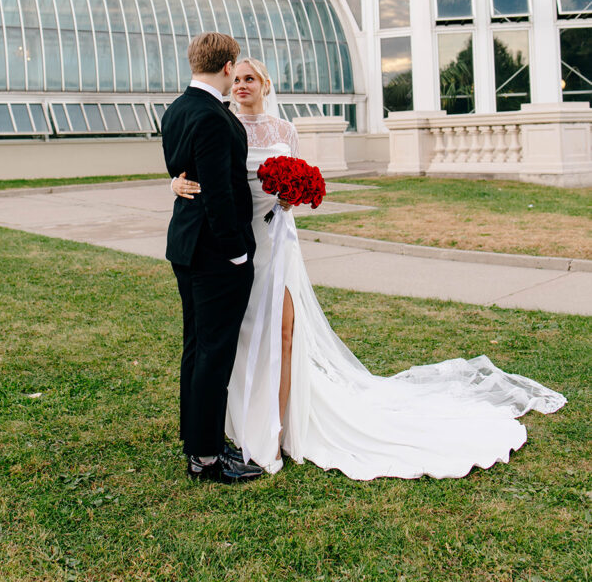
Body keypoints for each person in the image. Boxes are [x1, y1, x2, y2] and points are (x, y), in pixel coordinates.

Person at [172, 57, 566, 480]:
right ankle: (235, 423)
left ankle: (277, 430)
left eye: (252, 79)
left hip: (277, 242)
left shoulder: (285, 131)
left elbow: (302, 176)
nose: (243, 85)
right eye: (239, 78)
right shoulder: (221, 122)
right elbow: (197, 170)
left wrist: (293, 195)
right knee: (239, 336)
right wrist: (173, 183)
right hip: (234, 241)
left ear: (266, 85)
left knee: (284, 332)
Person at [161, 33, 263, 484]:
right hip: (214, 253)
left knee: (196, 347)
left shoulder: (177, 108)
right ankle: (205, 457)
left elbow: (181, 172)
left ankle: (198, 439)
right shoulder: (211, 117)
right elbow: (219, 194)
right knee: (214, 354)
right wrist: (237, 251)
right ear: (227, 67)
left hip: (186, 245)